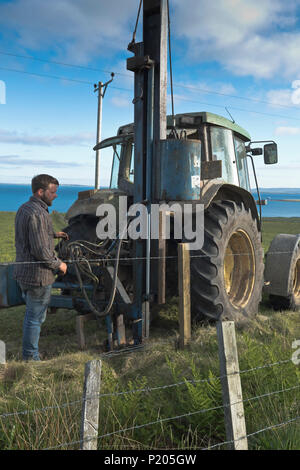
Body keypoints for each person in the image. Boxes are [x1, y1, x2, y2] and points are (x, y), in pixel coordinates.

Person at [14, 174, 69, 361]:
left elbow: (30, 233)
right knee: (35, 319)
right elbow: (40, 251)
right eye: (52, 192)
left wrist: (53, 234)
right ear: (40, 192)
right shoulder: (39, 213)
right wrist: (59, 264)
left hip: (22, 272)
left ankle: (31, 353)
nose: (55, 196)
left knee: (32, 315)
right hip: (37, 276)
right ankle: (31, 357)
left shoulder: (25, 209)